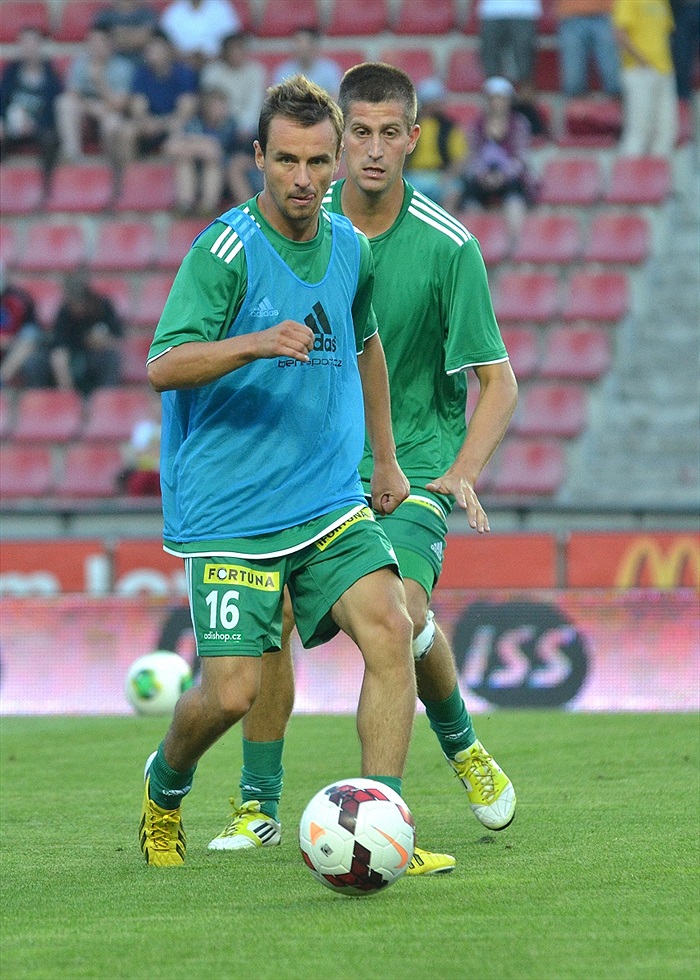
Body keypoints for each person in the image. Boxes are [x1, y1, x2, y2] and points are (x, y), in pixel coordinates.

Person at [209, 63, 519, 873]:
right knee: (271, 622)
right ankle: (255, 807)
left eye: (392, 133)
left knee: (403, 613)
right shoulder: (299, 235)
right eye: (361, 134)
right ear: (338, 141)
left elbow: (499, 379)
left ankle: (415, 787)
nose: (374, 151)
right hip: (306, 475)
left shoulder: (450, 248)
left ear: (415, 137)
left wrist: (463, 470)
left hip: (409, 468)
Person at [139, 75, 422, 868]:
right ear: (259, 157)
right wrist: (257, 342)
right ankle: (166, 786)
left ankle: (383, 824)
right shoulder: (224, 250)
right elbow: (163, 364)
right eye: (287, 160)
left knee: (392, 629)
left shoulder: (350, 247)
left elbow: (366, 345)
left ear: (337, 163)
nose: (304, 178)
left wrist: (388, 458)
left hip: (329, 498)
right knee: (230, 691)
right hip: (232, 509)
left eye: (319, 161)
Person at [444, 76, 538, 239]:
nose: (497, 103)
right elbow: (472, 156)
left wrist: (502, 176)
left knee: (514, 200)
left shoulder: (519, 124)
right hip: (482, 178)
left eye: (501, 98)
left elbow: (520, 158)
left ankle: (515, 245)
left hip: (509, 177)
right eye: (493, 98)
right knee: (469, 201)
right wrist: (483, 176)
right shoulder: (475, 125)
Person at [23, 272, 122, 395]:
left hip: (94, 357)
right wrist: (66, 389)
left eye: (77, 304)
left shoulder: (103, 306)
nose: (75, 309)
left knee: (111, 359)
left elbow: (118, 340)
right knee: (34, 363)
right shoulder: (65, 312)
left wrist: (103, 342)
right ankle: (41, 403)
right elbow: (59, 350)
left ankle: (106, 400)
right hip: (69, 358)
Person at [54, 25, 134, 172]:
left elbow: (120, 105)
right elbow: (72, 94)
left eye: (99, 42)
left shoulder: (123, 66)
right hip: (88, 107)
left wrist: (99, 82)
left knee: (113, 124)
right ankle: (73, 156)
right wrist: (92, 107)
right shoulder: (81, 62)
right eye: (91, 42)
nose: (94, 47)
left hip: (111, 110)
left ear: (110, 44)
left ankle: (110, 167)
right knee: (64, 103)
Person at [199, 31, 267, 202]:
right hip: (215, 127)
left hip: (245, 132)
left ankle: (249, 214)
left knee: (235, 163)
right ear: (225, 51)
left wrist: (239, 125)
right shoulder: (212, 72)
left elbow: (254, 106)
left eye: (240, 49)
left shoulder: (256, 71)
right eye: (232, 49)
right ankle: (202, 208)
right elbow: (208, 104)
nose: (237, 53)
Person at [613, 0, 679, 157]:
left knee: (667, 132)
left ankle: (659, 180)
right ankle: (630, 179)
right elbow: (620, 33)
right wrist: (643, 61)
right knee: (638, 132)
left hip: (664, 69)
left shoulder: (662, 2)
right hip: (638, 71)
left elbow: (666, 31)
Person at [0, 26, 62, 189]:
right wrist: (4, 122)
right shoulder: (11, 71)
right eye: (24, 42)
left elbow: (54, 109)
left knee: (50, 139)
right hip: (12, 127)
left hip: (40, 128)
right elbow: (2, 101)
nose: (28, 47)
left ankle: (48, 189)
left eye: (32, 42)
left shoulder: (50, 73)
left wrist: (35, 124)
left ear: (39, 45)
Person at [164, 88, 240, 214]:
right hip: (197, 170)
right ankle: (185, 206)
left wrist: (191, 143)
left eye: (223, 105)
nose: (222, 109)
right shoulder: (195, 122)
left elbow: (215, 151)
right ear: (207, 107)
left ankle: (208, 207)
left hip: (226, 176)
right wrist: (201, 146)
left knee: (212, 164)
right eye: (218, 106)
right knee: (184, 161)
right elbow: (171, 147)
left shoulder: (230, 124)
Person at [125, 30, 198, 159]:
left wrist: (162, 124)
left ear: (168, 51)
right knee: (127, 132)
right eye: (149, 50)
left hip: (173, 121)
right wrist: (146, 121)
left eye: (157, 50)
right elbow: (137, 106)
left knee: (177, 129)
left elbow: (186, 110)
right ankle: (130, 175)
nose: (152, 54)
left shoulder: (184, 73)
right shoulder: (141, 74)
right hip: (149, 123)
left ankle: (170, 176)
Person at [405, 77, 469, 207]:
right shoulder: (408, 125)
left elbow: (459, 159)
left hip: (439, 175)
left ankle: (444, 226)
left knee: (453, 190)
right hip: (412, 175)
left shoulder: (449, 127)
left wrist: (447, 177)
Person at [555, 0, 621, 98]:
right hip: (570, 16)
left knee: (614, 80)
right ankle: (578, 111)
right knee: (573, 83)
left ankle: (617, 109)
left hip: (604, 15)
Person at [0, 264, 45, 387]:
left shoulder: (20, 298)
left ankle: (2, 378)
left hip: (16, 344)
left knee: (29, 338)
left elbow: (32, 333)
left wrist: (9, 340)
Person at [160, 0, 241, 67]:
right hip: (183, 64)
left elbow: (232, 40)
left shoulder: (221, 7)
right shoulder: (173, 11)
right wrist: (187, 58)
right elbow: (165, 42)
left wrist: (211, 58)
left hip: (217, 62)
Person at [273, 27, 343, 97]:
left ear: (314, 46)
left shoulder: (330, 70)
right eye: (296, 42)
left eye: (301, 42)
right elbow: (276, 100)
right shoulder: (283, 71)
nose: (297, 47)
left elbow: (336, 98)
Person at [93, 0, 160, 66]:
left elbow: (144, 38)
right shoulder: (105, 14)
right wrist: (134, 33)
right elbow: (98, 39)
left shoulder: (146, 13)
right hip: (112, 62)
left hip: (142, 61)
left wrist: (118, 34)